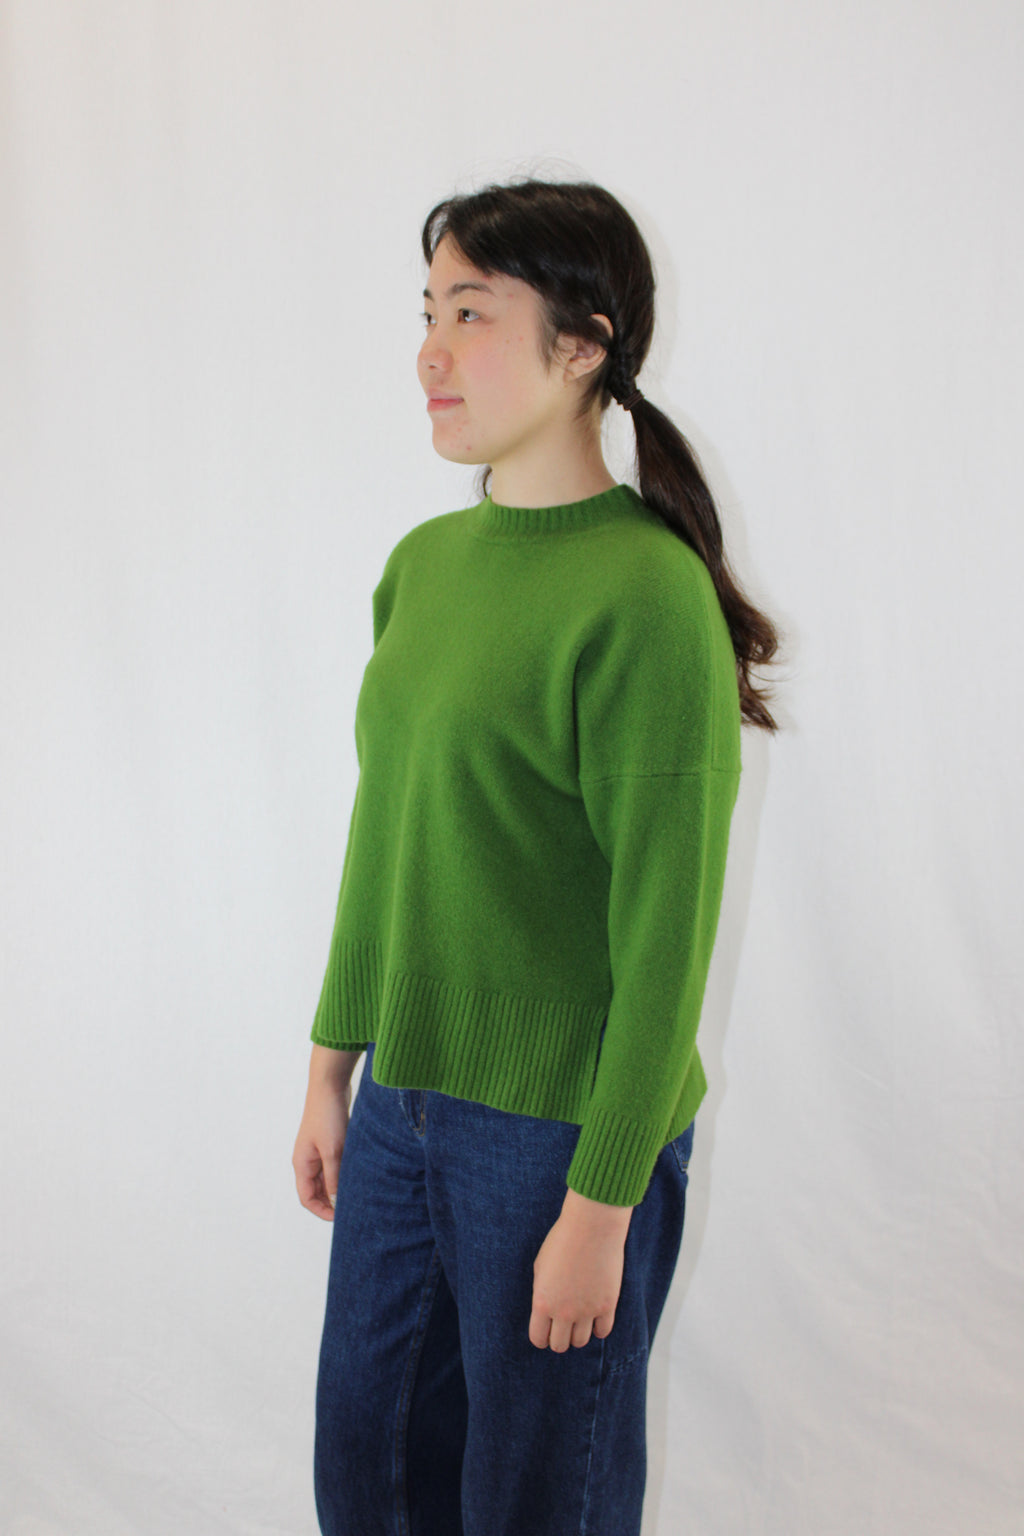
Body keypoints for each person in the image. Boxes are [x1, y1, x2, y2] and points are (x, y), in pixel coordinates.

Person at [292, 177, 780, 1536]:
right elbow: (389, 835)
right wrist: (332, 1068)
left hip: (562, 1137)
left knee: (534, 1502)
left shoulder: (648, 595)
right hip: (402, 1103)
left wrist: (603, 1203)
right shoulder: (423, 566)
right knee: (367, 1477)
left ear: (583, 347)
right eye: (427, 314)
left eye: (471, 314)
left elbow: (666, 936)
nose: (430, 353)